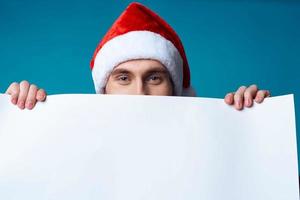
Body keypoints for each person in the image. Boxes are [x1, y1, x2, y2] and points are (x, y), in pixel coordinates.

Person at [5, 2, 270, 110]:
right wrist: (19, 121)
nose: (139, 93)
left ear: (176, 90)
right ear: (104, 91)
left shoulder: (215, 148)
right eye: (123, 78)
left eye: (154, 78)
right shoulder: (67, 150)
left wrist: (251, 125)